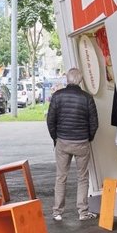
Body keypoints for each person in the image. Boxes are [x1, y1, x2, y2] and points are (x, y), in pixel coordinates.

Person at [47, 67, 99, 221]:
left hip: (62, 142)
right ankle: (83, 212)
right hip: (81, 142)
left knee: (61, 177)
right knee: (82, 177)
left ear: (67, 79)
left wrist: (55, 138)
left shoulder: (57, 96)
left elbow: (50, 120)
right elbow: (94, 123)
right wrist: (88, 137)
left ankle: (57, 212)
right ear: (80, 80)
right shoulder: (87, 98)